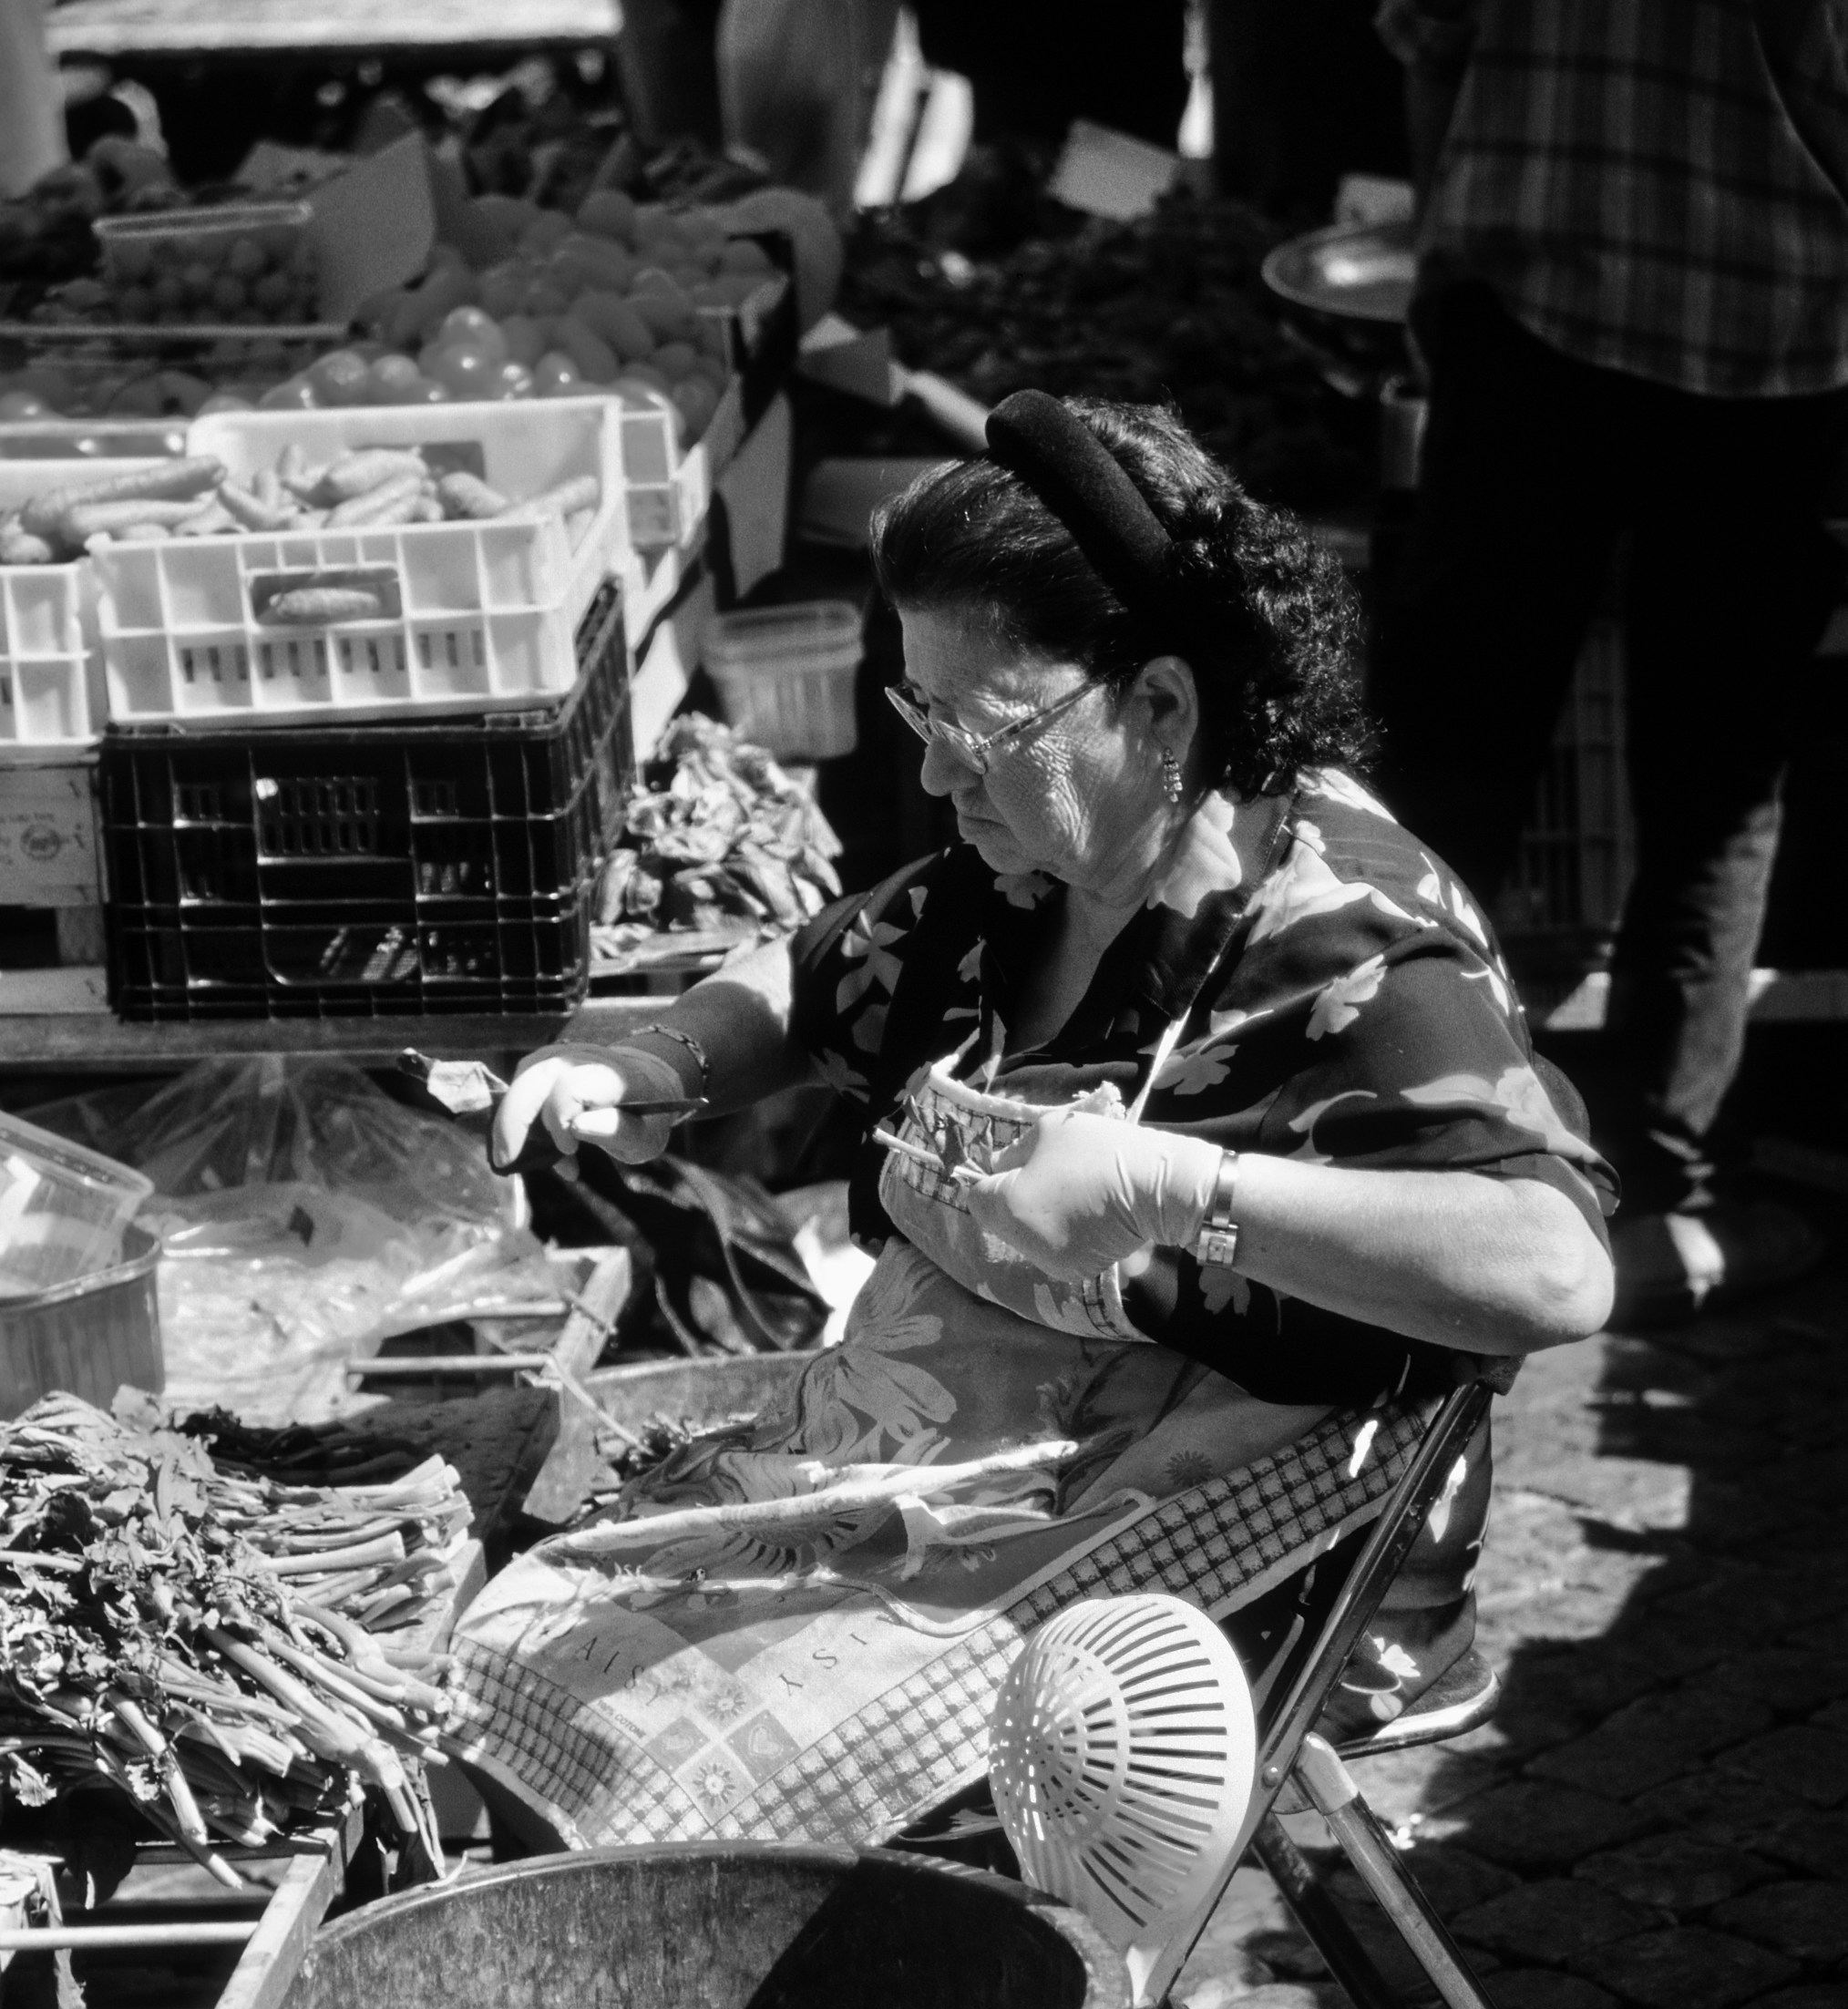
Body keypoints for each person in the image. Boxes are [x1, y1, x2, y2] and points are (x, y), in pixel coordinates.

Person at [465, 390, 1613, 1856]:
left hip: (1257, 1571)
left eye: (976, 727)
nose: (936, 775)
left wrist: (1174, 1184)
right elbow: (817, 973)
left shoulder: (1352, 948)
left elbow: (1554, 1268)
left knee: (704, 1785)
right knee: (533, 1649)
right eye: (916, 714)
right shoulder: (1021, 878)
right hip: (984, 1476)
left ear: (1160, 707)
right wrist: (652, 1070)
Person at [1370, 0, 1848, 1325]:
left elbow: (1428, 43)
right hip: (1775, 346)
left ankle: (1395, 1143)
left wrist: (1433, 279)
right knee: (1718, 796)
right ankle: (1664, 1198)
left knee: (1452, 772)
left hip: (1529, 325)